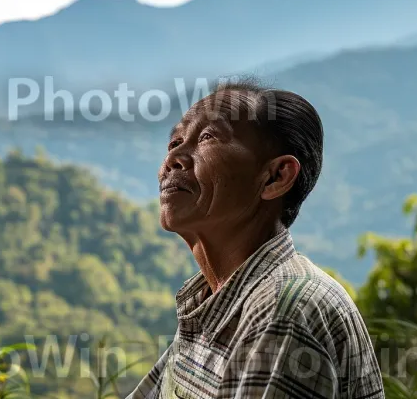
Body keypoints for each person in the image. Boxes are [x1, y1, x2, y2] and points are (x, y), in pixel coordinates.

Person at [127, 80, 384, 399]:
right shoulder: (216, 301)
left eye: (208, 137)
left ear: (276, 177)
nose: (174, 158)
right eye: (175, 141)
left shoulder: (283, 312)